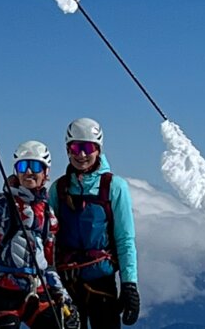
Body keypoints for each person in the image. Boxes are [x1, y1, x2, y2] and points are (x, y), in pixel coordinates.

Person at [0, 140, 80, 329]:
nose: (29, 172)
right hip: (0, 291)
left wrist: (66, 300)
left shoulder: (48, 215)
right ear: (16, 171)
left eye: (35, 166)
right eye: (23, 166)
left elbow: (49, 266)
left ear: (46, 173)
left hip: (35, 290)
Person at [49, 118, 140, 328]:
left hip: (102, 284)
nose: (81, 154)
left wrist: (129, 285)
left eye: (88, 147)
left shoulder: (114, 187)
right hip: (66, 284)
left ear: (98, 149)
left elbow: (125, 239)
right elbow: (48, 237)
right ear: (67, 150)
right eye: (75, 147)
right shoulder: (59, 189)